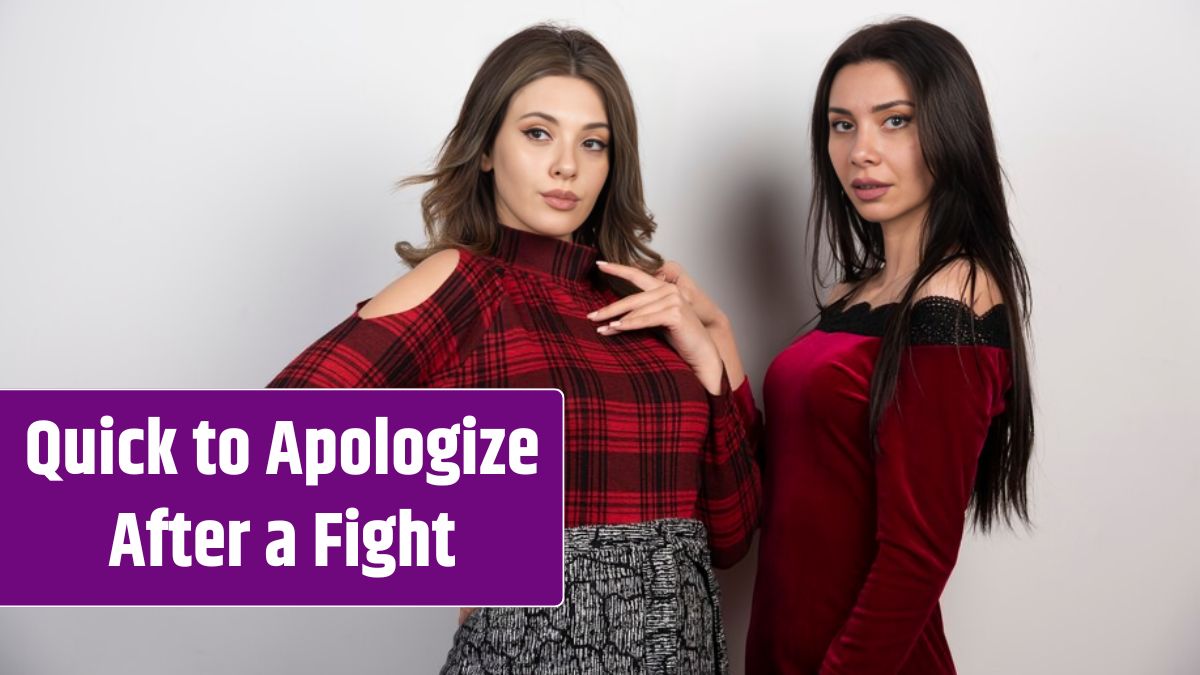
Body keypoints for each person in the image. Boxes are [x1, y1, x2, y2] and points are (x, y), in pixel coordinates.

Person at [267, 24, 761, 675]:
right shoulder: (465, 283)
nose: (567, 165)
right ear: (486, 150)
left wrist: (715, 347)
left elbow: (730, 537)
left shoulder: (645, 305)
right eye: (538, 133)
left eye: (593, 143)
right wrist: (479, 529)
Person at [746, 18, 1035, 674]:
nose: (860, 152)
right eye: (842, 124)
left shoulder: (956, 295)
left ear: (949, 129)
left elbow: (917, 555)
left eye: (894, 121)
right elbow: (793, 477)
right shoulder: (859, 292)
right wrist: (717, 353)